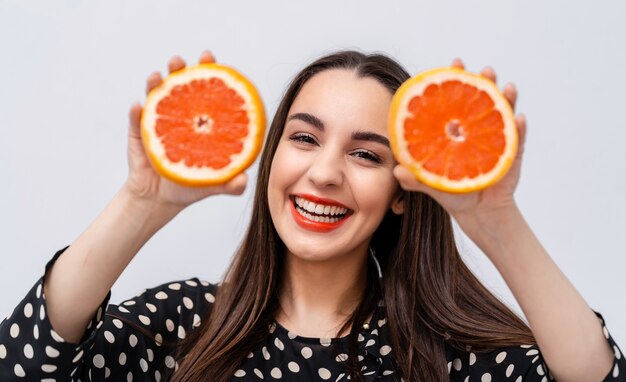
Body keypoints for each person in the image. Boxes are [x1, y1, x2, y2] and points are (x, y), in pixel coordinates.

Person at [0, 50, 623, 382]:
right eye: (304, 138)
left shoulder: (446, 357)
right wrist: (140, 205)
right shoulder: (183, 328)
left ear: (403, 190)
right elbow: (24, 365)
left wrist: (497, 221)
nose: (325, 173)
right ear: (272, 160)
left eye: (365, 153)